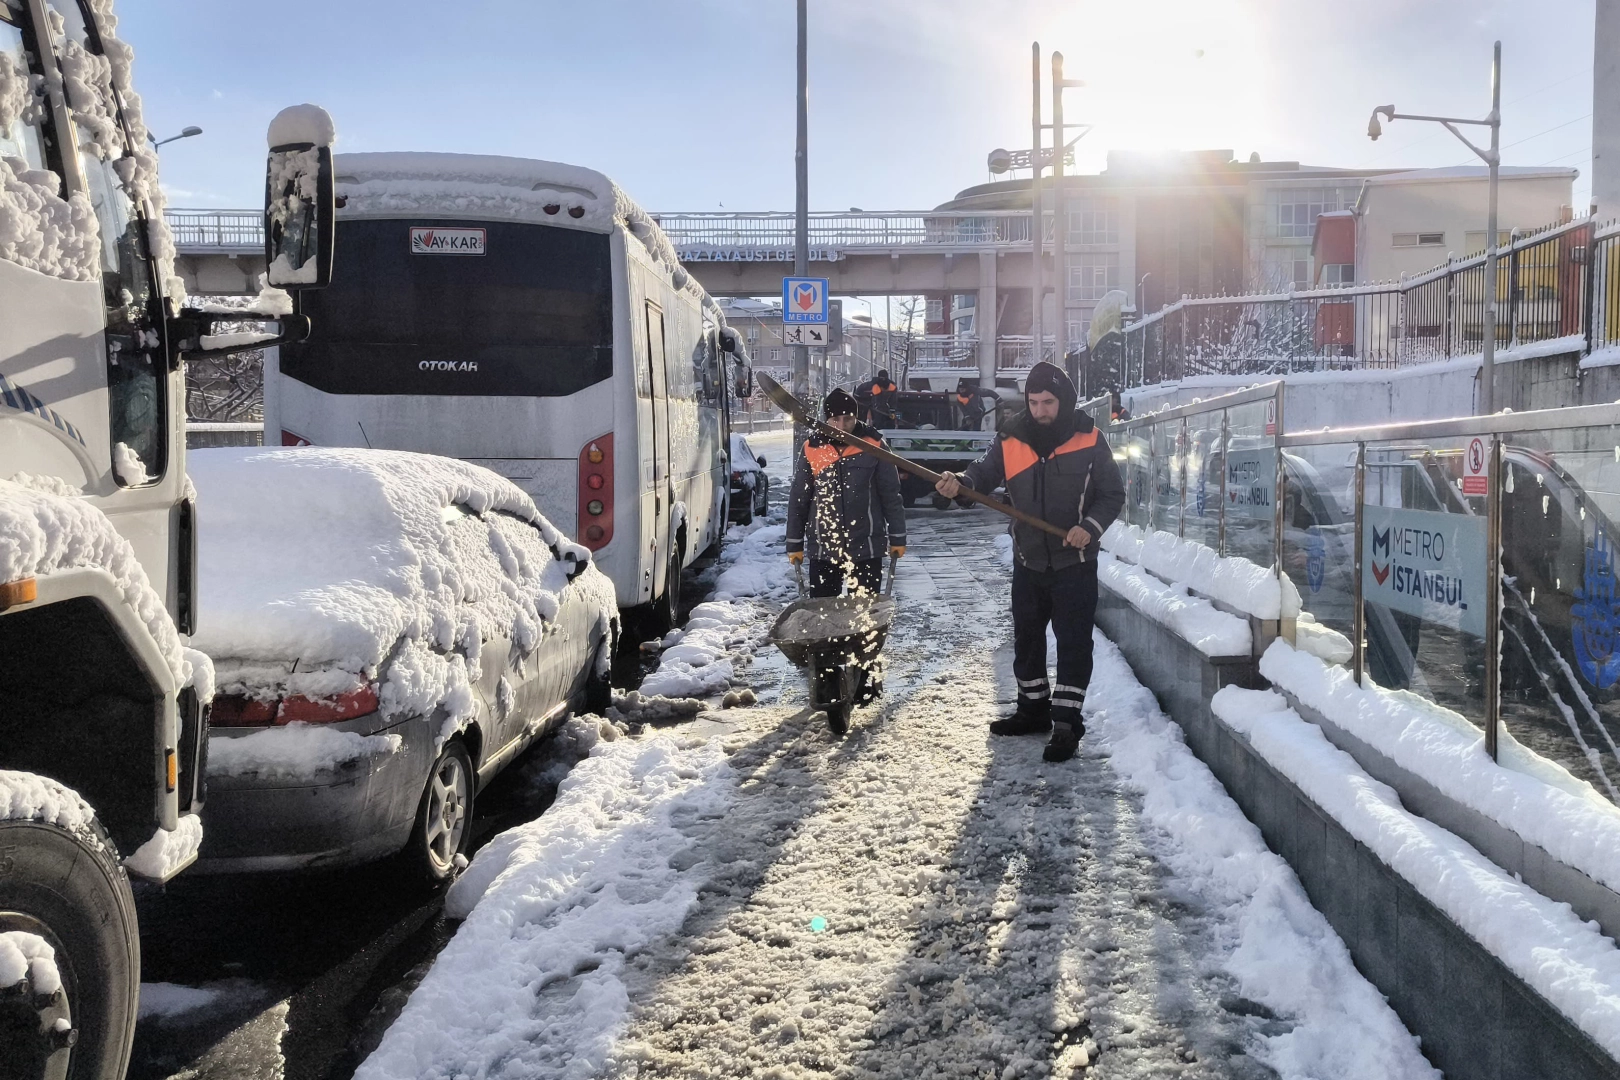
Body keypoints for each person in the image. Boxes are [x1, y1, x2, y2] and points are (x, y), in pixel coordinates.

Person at [934, 361, 1125, 762]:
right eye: (1034, 401)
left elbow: (1112, 494)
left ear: (1065, 400)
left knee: (1073, 644)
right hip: (1028, 559)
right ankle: (1032, 710)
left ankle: (1068, 722)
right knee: (1027, 639)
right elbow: (980, 478)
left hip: (1074, 561)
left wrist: (1088, 527)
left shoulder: (1090, 438)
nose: (1040, 410)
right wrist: (960, 486)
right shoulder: (1010, 437)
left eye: (1049, 402)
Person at [787, 387, 907, 599]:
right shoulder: (812, 447)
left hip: (866, 547)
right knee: (823, 616)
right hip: (824, 549)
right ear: (826, 419)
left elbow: (891, 495)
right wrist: (794, 542)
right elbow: (799, 499)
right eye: (835, 419)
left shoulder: (874, 445)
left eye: (847, 419)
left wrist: (898, 537)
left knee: (865, 617)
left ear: (856, 417)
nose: (841, 426)